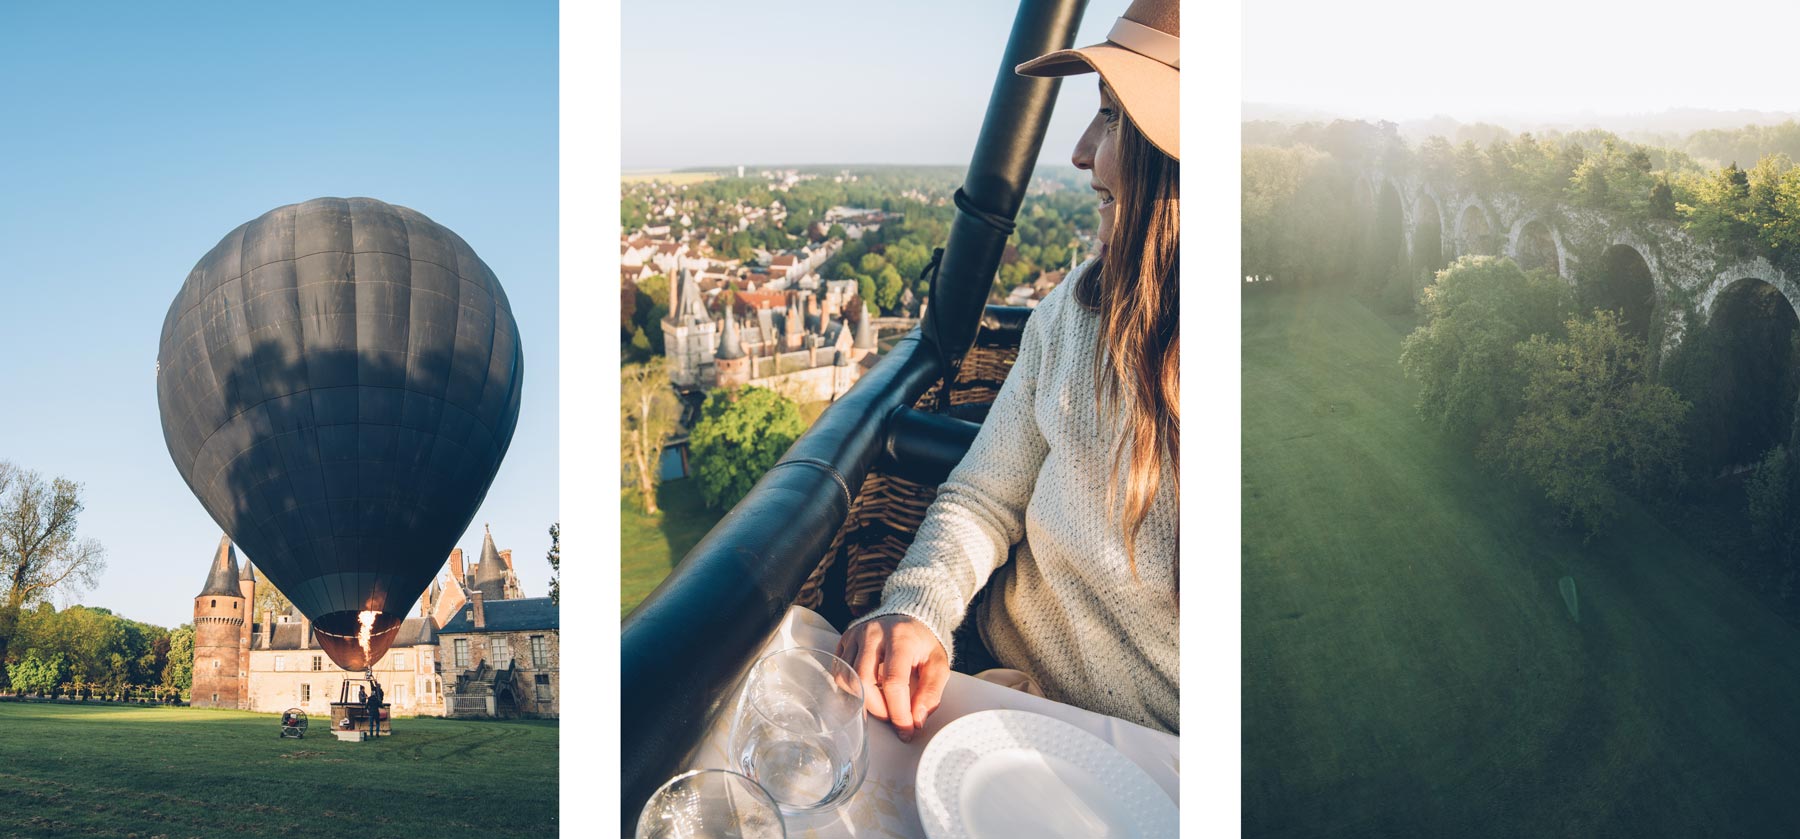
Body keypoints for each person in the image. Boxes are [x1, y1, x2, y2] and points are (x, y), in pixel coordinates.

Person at [837, 0, 1179, 740]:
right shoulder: (1073, 310)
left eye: (1114, 117)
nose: (1082, 151)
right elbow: (984, 495)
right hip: (990, 681)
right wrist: (917, 607)